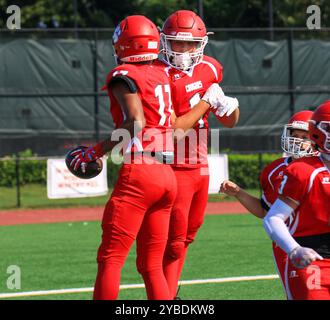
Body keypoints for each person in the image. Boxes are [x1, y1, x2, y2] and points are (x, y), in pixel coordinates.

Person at [67, 15, 229, 300]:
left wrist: (95, 151)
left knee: (111, 258)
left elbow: (135, 123)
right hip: (168, 173)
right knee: (152, 264)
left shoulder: (124, 75)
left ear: (123, 46)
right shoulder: (161, 74)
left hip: (141, 169)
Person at [160, 9, 240, 299]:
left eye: (190, 43)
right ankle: (164, 297)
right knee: (172, 241)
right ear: (164, 41)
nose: (183, 50)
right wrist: (208, 102)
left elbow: (230, 121)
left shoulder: (210, 68)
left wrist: (228, 106)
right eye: (177, 43)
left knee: (188, 236)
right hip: (171, 165)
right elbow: (175, 131)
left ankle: (168, 293)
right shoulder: (158, 74)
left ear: (201, 44)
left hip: (199, 164)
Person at [220, 110, 316, 298]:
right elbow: (266, 211)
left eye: (304, 137)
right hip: (287, 243)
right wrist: (239, 193)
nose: (297, 141)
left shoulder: (323, 167)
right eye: (294, 136)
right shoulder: (274, 171)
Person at [263, 101, 330, 300]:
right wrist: (294, 250)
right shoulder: (304, 171)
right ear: (316, 131)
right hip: (313, 259)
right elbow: (272, 218)